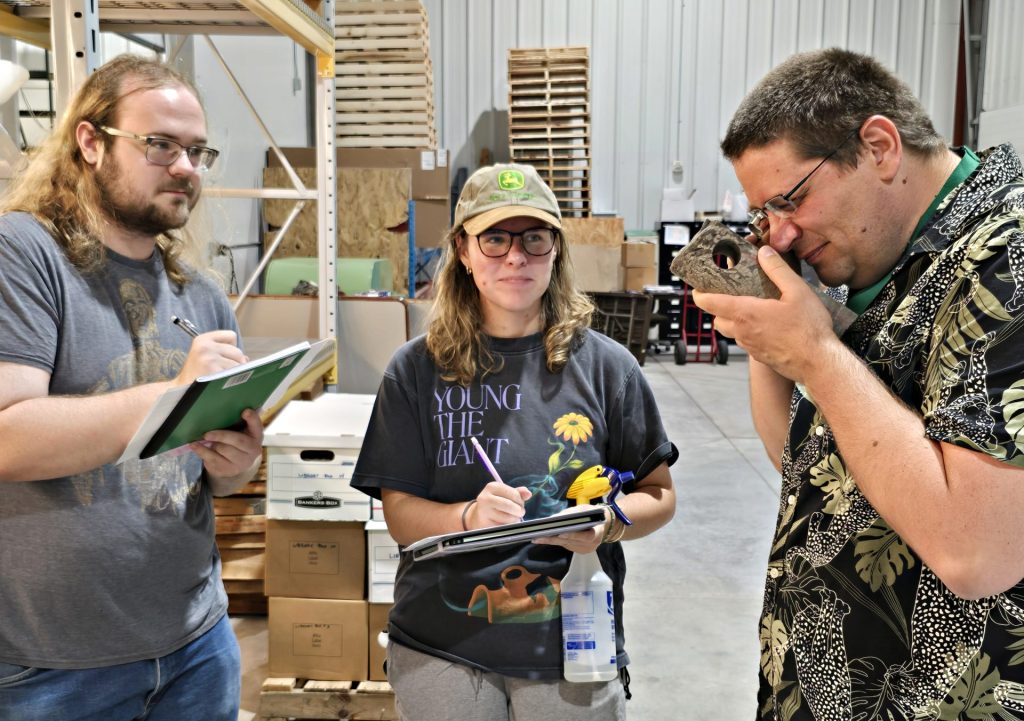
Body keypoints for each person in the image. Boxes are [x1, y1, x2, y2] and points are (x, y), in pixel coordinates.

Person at [693, 47, 1024, 719]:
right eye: (764, 216)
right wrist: (769, 330)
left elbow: (976, 550)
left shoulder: (1004, 258)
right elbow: (806, 465)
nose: (781, 233)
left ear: (878, 147)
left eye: (790, 201)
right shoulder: (874, 256)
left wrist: (816, 353)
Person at [351, 162, 678, 720]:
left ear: (556, 248)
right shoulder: (416, 370)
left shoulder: (608, 369)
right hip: (441, 640)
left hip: (572, 640)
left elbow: (659, 494)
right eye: (495, 239)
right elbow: (400, 515)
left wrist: (609, 523)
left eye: (534, 238)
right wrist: (467, 517)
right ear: (463, 249)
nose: (515, 257)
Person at [0, 54, 263, 721]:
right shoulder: (23, 255)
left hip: (197, 645)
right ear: (91, 142)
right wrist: (171, 394)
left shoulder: (202, 296)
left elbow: (214, 480)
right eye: (160, 145)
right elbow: (8, 437)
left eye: (197, 151)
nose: (186, 167)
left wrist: (236, 462)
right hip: (54, 667)